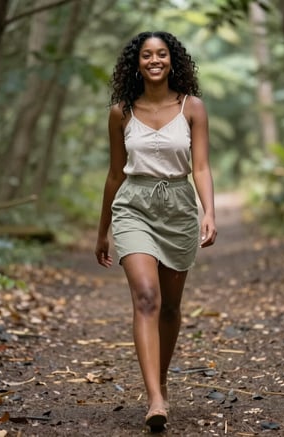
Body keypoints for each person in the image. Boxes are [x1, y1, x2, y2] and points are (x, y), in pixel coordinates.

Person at [95, 31, 217, 430]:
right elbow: (115, 174)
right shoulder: (121, 112)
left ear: (172, 60)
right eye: (147, 55)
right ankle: (155, 399)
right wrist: (103, 230)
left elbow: (200, 167)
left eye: (161, 54)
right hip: (134, 207)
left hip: (179, 208)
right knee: (147, 297)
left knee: (169, 306)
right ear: (136, 63)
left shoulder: (192, 107)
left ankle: (160, 381)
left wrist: (208, 212)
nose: (154, 60)